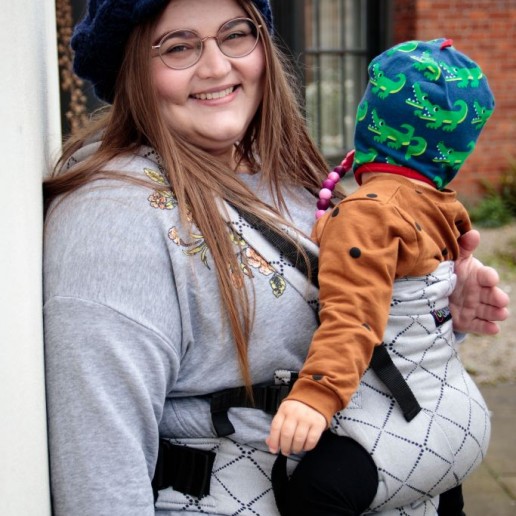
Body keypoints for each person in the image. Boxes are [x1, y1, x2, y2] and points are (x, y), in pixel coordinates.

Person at [42, 0, 509, 513]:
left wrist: (432, 310)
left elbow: (339, 316)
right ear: (131, 67)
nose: (217, 67)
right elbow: (101, 479)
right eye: (178, 47)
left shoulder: (284, 172)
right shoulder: (116, 222)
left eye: (235, 35)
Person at [267, 39, 498, 515]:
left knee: (313, 495)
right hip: (459, 413)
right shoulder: (443, 204)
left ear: (370, 119)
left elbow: (353, 314)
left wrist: (316, 396)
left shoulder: (368, 214)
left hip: (402, 427)